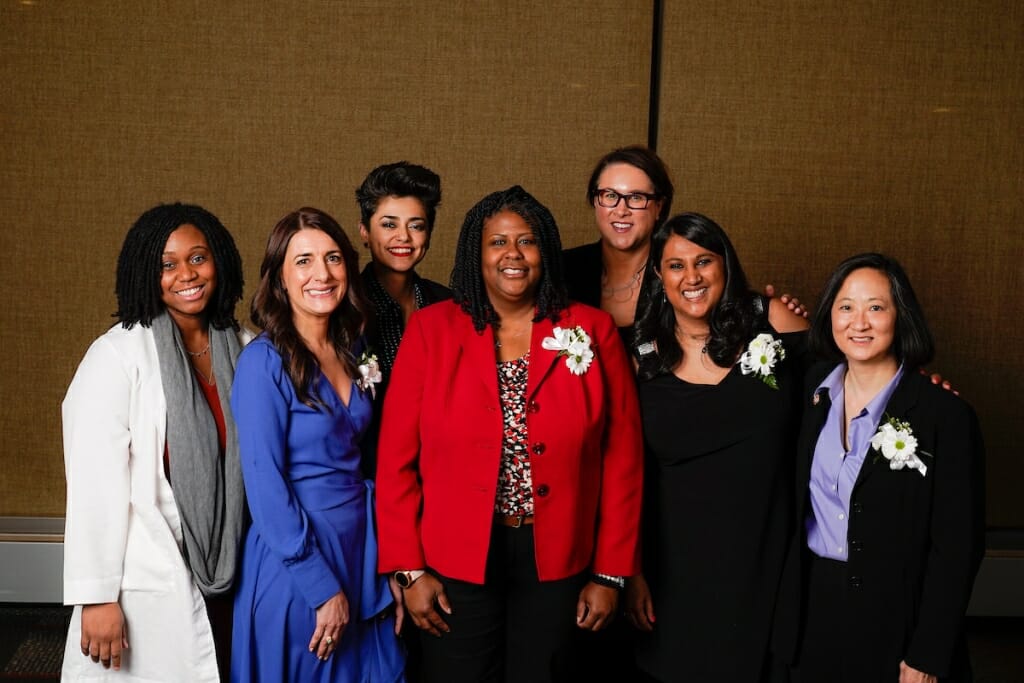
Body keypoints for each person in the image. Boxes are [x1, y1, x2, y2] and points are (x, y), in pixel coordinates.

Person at [375, 186, 644, 683]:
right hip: (455, 559)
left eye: (527, 241)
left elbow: (623, 460)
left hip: (559, 557)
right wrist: (408, 569)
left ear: (546, 251)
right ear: (475, 255)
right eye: (498, 242)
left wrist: (610, 572)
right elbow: (395, 459)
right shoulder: (431, 331)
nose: (513, 255)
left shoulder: (593, 330)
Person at [773, 253, 985, 683]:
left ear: (900, 316)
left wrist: (928, 653)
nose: (859, 322)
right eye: (846, 306)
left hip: (897, 619)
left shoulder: (944, 415)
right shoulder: (809, 393)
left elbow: (957, 549)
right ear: (829, 315)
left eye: (876, 307)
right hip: (809, 612)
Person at [61, 203, 248, 681]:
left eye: (198, 258)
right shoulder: (117, 356)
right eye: (167, 264)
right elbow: (93, 486)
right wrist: (98, 597)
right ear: (147, 271)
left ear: (219, 261)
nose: (186, 273)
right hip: (150, 575)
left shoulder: (246, 346)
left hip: (237, 570)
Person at [624, 212, 809, 682]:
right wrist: (632, 572)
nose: (691, 277)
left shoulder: (775, 322)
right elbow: (626, 472)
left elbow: (847, 392)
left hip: (766, 554)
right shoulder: (639, 356)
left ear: (724, 266)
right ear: (659, 277)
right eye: (675, 265)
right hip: (675, 568)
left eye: (704, 261)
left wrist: (922, 394)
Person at [229, 208, 404, 682]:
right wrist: (320, 587)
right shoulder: (261, 363)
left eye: (332, 258)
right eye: (303, 261)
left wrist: (389, 563)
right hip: (298, 560)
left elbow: (373, 458)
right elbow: (265, 487)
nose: (321, 274)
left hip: (360, 550)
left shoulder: (353, 347)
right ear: (280, 279)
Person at [355, 161, 451, 480]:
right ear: (365, 231)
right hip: (368, 478)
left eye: (416, 225)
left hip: (441, 477)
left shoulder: (450, 305)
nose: (403, 237)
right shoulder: (344, 308)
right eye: (388, 224)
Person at [563, 145, 674, 343]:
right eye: (610, 196)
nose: (621, 210)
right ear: (595, 201)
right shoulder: (561, 269)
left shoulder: (678, 273)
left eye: (636, 197)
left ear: (659, 207)